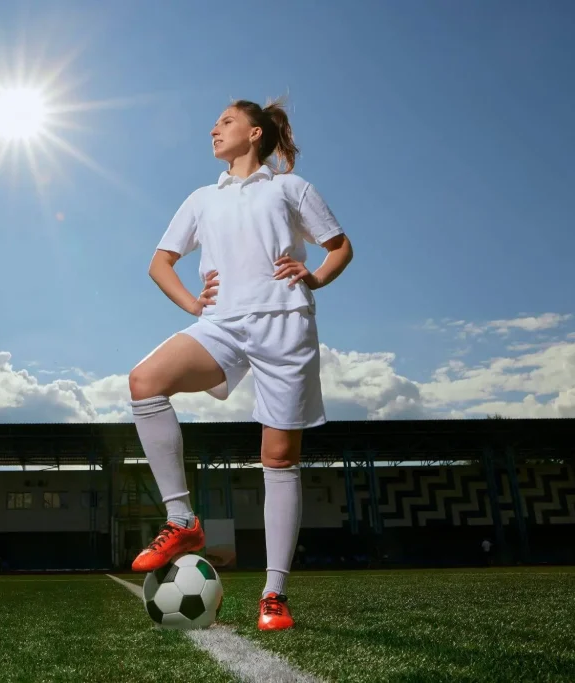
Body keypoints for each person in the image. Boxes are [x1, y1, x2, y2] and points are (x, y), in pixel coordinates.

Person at [128, 98, 354, 631]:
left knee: (277, 459)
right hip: (223, 323)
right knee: (145, 381)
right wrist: (192, 303)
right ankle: (181, 520)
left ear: (255, 133)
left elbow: (340, 247)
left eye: (225, 121)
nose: (214, 128)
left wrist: (314, 276)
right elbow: (160, 263)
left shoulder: (290, 188)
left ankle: (273, 595)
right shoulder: (203, 197)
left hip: (285, 321)